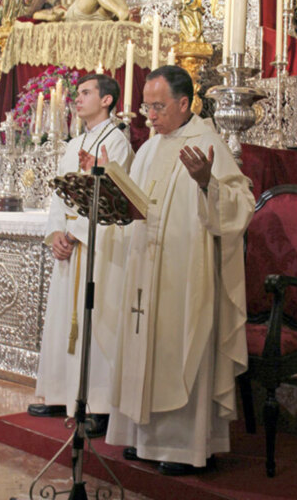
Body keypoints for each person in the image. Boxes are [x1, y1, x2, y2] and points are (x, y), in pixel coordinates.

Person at [95, 65, 255, 474]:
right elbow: (133, 201)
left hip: (185, 273)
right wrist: (105, 180)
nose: (150, 115)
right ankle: (139, 437)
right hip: (144, 268)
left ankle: (181, 448)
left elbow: (240, 204)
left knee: (179, 347)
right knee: (140, 347)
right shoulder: (149, 148)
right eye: (147, 106)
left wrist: (207, 183)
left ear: (185, 104)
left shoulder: (206, 141)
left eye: (159, 106)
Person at [28, 73, 133, 437]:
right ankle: (60, 393)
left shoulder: (117, 142)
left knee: (94, 321)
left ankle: (98, 404)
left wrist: (76, 232)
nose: (78, 98)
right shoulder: (74, 144)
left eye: (87, 92)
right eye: (79, 93)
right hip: (69, 245)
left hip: (96, 246)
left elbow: (117, 194)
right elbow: (60, 193)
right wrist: (56, 232)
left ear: (107, 100)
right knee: (62, 319)